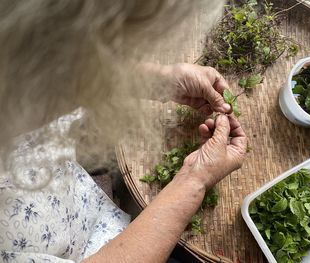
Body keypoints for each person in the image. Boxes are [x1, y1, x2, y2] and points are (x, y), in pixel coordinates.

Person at [0, 1, 247, 262]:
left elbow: (57, 73)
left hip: (79, 208)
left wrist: (158, 82)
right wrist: (195, 181)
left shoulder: (21, 62)